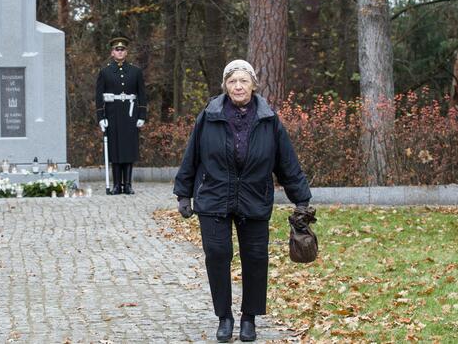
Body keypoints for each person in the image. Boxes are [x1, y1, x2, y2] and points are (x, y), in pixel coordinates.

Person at [173, 59, 312, 342]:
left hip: (254, 199)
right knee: (217, 255)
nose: (238, 86)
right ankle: (224, 317)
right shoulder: (208, 115)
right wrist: (183, 192)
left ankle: (249, 317)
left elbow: (287, 162)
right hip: (213, 198)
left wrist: (301, 200)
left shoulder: (269, 119)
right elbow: (192, 156)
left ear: (253, 85)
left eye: (244, 81)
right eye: (232, 81)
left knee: (256, 258)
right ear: (225, 85)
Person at [95, 36, 147, 195]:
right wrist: (101, 117)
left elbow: (142, 95)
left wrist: (142, 115)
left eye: (122, 49)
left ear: (126, 52)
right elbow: (99, 96)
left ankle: (128, 185)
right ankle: (117, 184)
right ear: (112, 52)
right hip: (113, 114)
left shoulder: (135, 71)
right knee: (115, 150)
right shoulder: (105, 72)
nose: (120, 52)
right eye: (117, 49)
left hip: (130, 114)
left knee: (129, 149)